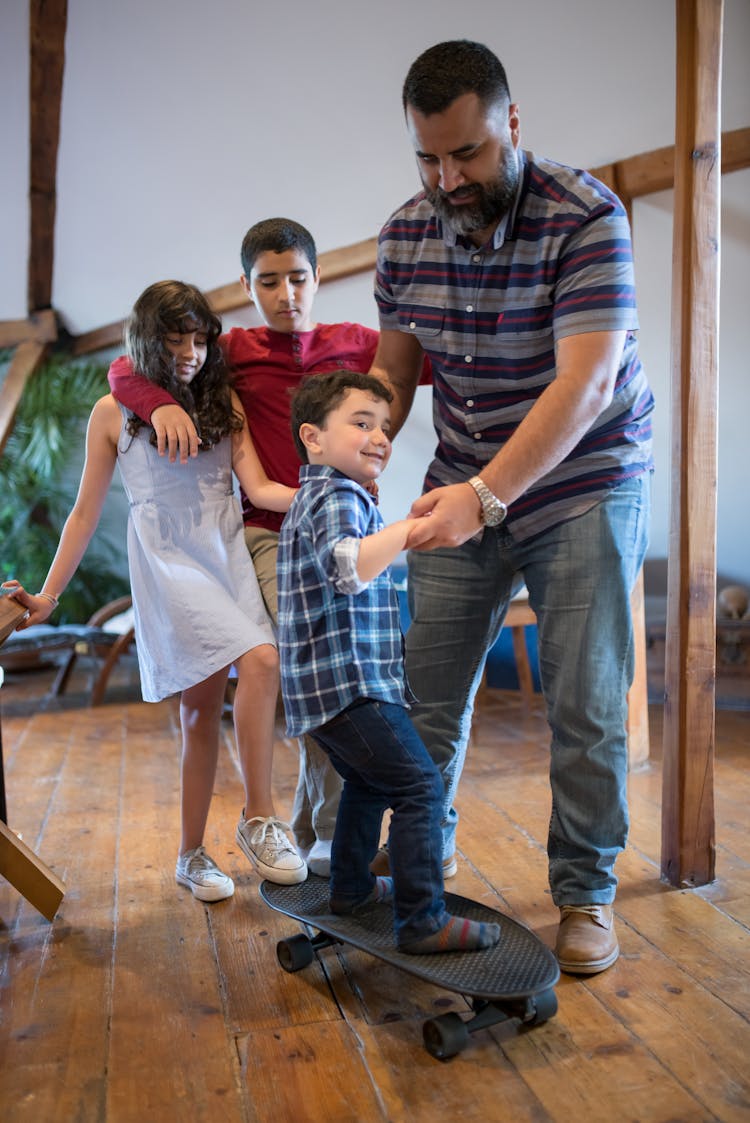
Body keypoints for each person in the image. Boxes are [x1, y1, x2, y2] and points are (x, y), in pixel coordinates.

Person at [369, 40, 654, 974]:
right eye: (429, 158)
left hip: (584, 480)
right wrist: (356, 445)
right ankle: (422, 859)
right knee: (428, 697)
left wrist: (487, 499)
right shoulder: (405, 234)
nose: (449, 178)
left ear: (513, 125)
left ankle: (585, 891)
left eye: (469, 154)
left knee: (585, 699)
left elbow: (587, 383)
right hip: (464, 471)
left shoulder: (587, 217)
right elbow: (395, 372)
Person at [3, 280, 307, 901]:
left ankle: (225, 836)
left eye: (199, 339)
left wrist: (328, 495)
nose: (192, 352)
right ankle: (224, 837)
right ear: (148, 341)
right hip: (169, 565)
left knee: (234, 685)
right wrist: (50, 596)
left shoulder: (223, 401)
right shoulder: (113, 413)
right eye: (176, 341)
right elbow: (84, 514)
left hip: (224, 554)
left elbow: (261, 487)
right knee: (230, 687)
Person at [106, 219, 388, 878]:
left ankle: (343, 826)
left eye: (298, 277)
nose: (286, 293)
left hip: (347, 523)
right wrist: (155, 403)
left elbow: (422, 363)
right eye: (269, 281)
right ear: (247, 285)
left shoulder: (356, 342)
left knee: (361, 672)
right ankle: (312, 827)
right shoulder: (231, 347)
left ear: (319, 277)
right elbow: (126, 364)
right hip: (266, 529)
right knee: (302, 667)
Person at [277, 369, 500, 954]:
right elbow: (347, 567)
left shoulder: (330, 497)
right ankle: (423, 922)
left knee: (368, 783)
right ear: (313, 437)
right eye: (361, 423)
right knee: (422, 788)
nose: (379, 437)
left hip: (331, 692)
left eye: (384, 427)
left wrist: (404, 528)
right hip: (350, 688)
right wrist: (403, 530)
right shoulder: (336, 495)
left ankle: (351, 889)